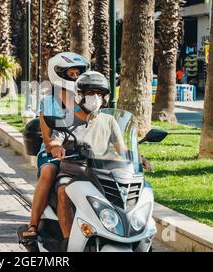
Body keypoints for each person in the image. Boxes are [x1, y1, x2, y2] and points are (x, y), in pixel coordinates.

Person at [53, 71, 153, 251]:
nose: (95, 98)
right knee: (62, 191)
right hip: (74, 171)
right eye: (91, 93)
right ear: (80, 95)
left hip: (101, 172)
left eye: (100, 94)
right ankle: (68, 240)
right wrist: (56, 148)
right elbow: (54, 141)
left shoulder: (109, 120)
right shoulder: (67, 119)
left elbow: (121, 148)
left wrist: (139, 157)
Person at [20, 52, 89, 242]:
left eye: (78, 73)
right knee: (49, 171)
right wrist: (54, 147)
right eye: (72, 73)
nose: (76, 77)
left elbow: (97, 125)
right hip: (53, 153)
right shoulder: (48, 101)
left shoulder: (84, 100)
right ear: (59, 73)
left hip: (81, 151)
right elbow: (48, 138)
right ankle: (33, 225)